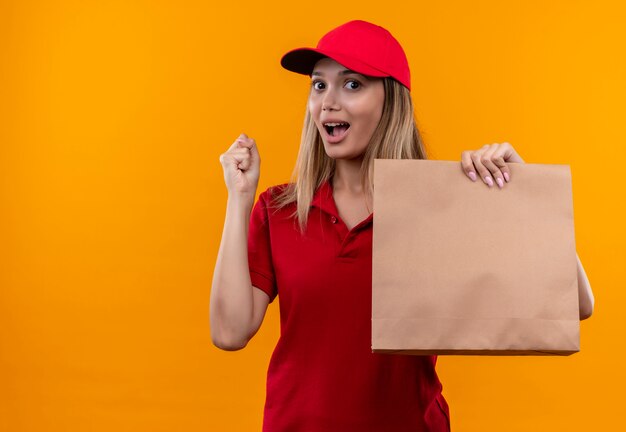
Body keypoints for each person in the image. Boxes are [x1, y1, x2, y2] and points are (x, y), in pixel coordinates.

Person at [211, 19, 594, 432]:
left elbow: (577, 304)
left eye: (352, 84)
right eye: (319, 85)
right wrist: (239, 196)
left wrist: (523, 195)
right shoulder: (282, 209)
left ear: (390, 101)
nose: (328, 102)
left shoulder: (439, 207)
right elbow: (230, 331)